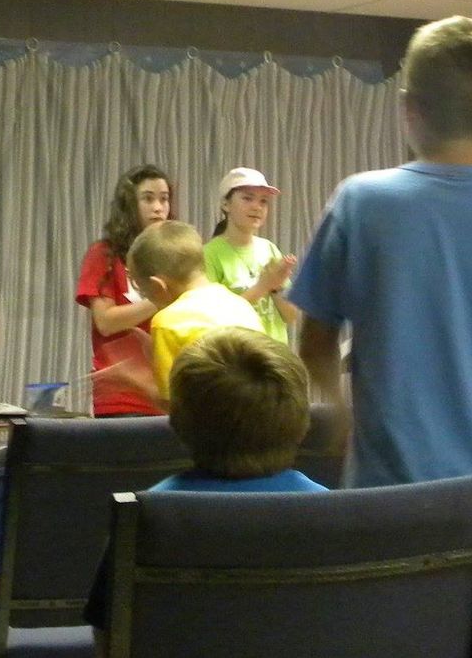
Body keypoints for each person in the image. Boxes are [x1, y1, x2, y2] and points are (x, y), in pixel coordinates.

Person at [287, 16, 472, 655]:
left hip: (389, 522)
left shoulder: (361, 203)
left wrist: (338, 412)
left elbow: (315, 339)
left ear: (407, 109)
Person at [82, 327, 326, 647]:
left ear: (177, 423)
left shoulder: (144, 518)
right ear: (303, 422)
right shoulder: (336, 513)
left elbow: (110, 640)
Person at [127, 220, 264, 405]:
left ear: (158, 286)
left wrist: (132, 380)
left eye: (144, 292)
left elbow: (176, 407)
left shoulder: (167, 323)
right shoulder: (241, 306)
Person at [77, 165, 174, 417]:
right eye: (148, 198)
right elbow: (106, 322)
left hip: (168, 395)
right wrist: (160, 299)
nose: (158, 207)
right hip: (121, 397)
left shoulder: (174, 256)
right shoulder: (104, 254)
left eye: (164, 199)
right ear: (130, 205)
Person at [204, 167, 299, 344]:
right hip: (238, 357)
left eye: (263, 201)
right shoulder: (209, 254)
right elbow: (213, 319)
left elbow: (292, 316)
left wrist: (277, 287)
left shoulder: (269, 248)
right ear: (226, 204)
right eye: (247, 198)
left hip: (275, 356)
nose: (257, 207)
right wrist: (263, 286)